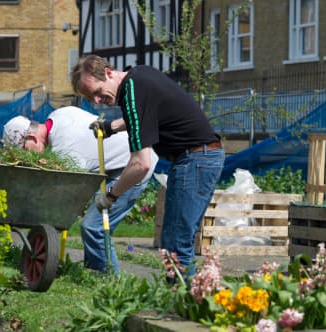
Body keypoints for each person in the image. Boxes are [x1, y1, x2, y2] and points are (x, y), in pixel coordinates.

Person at [70, 55, 225, 278]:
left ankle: (188, 302)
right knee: (172, 243)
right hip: (198, 157)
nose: (96, 101)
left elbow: (141, 164)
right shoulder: (139, 77)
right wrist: (112, 126)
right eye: (90, 97)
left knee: (177, 246)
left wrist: (111, 196)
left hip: (196, 159)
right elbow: (148, 116)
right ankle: (181, 300)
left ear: (107, 72)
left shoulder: (131, 91)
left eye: (96, 91)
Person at [2, 106, 159, 273]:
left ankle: (109, 281)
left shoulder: (66, 147)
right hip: (115, 164)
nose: (29, 158)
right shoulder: (58, 115)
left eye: (25, 151)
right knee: (95, 228)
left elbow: (70, 189)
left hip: (133, 166)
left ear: (32, 138)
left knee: (93, 227)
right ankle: (93, 273)